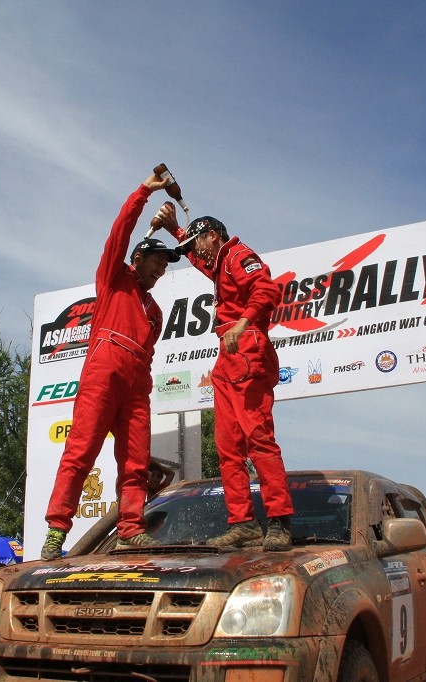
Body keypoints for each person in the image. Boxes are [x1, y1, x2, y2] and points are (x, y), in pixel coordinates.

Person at [40, 169, 182, 561]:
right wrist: (144, 192)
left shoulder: (155, 312)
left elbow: (148, 352)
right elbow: (119, 232)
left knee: (135, 461)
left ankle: (131, 530)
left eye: (165, 265)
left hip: (137, 384)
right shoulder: (113, 278)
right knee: (80, 452)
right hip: (103, 373)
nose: (161, 269)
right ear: (138, 258)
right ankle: (56, 530)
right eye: (157, 261)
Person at [160, 206, 294, 550]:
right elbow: (199, 261)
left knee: (258, 440)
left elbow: (267, 290)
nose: (195, 251)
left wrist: (243, 323)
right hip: (228, 357)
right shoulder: (220, 263)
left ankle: (279, 521)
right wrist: (176, 230)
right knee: (228, 447)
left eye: (197, 241)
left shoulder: (238, 254)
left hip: (247, 348)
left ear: (213, 236)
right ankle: (243, 523)